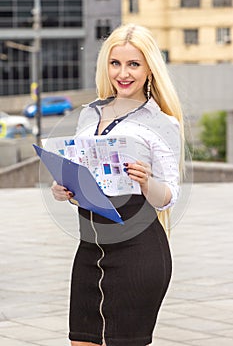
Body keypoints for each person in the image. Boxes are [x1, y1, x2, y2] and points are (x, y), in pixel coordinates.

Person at [51, 23, 184, 346]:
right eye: (115, 63)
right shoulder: (89, 115)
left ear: (150, 68)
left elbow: (168, 196)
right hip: (89, 252)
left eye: (133, 64)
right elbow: (88, 182)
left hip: (138, 254)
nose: (123, 73)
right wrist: (65, 191)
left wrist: (146, 181)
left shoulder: (163, 123)